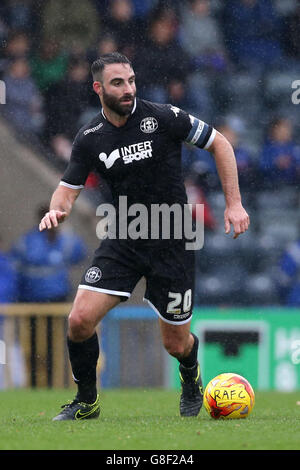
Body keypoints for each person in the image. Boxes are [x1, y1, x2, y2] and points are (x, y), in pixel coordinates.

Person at [39, 52, 249, 421]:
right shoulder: (90, 137)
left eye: (131, 80)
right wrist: (58, 209)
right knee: (79, 320)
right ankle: (87, 402)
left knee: (175, 344)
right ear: (98, 88)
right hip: (124, 237)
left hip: (173, 238)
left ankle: (190, 375)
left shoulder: (163, 117)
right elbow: (66, 188)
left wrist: (233, 204)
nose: (128, 89)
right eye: (118, 82)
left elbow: (221, 144)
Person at [12, 205, 87, 303]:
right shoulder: (28, 240)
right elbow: (14, 264)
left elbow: (81, 256)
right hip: (31, 297)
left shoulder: (67, 240)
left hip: (59, 295)